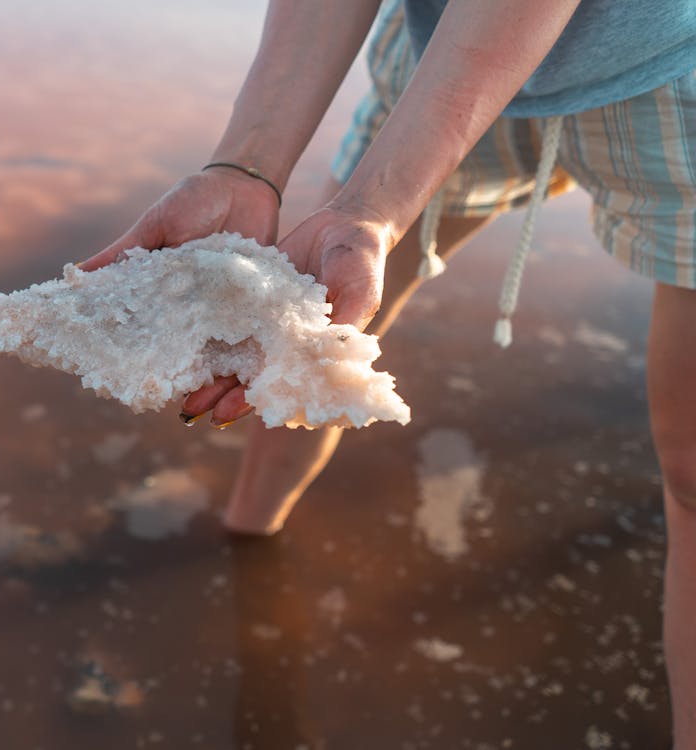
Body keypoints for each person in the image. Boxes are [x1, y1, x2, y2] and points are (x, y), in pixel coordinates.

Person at [78, 0, 696, 744]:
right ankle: (243, 540)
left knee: (691, 467)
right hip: (435, 71)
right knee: (294, 348)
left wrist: (375, 205)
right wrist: (246, 165)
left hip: (671, 72)